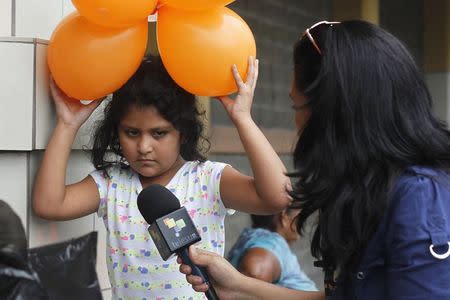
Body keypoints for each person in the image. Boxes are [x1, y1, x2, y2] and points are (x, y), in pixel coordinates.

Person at [178, 20, 450, 299]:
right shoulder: (374, 190)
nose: (296, 123)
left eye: (297, 106)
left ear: (334, 114)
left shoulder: (418, 198)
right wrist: (236, 286)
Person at [32, 55, 291, 299]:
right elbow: (49, 204)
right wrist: (67, 125)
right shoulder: (112, 184)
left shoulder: (208, 179)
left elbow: (278, 196)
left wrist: (243, 119)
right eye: (132, 132)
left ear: (184, 132)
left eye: (159, 133)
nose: (144, 146)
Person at [227, 209, 317, 291]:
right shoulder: (272, 246)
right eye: (299, 215)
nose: (302, 220)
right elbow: (254, 272)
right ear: (284, 217)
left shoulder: (254, 238)